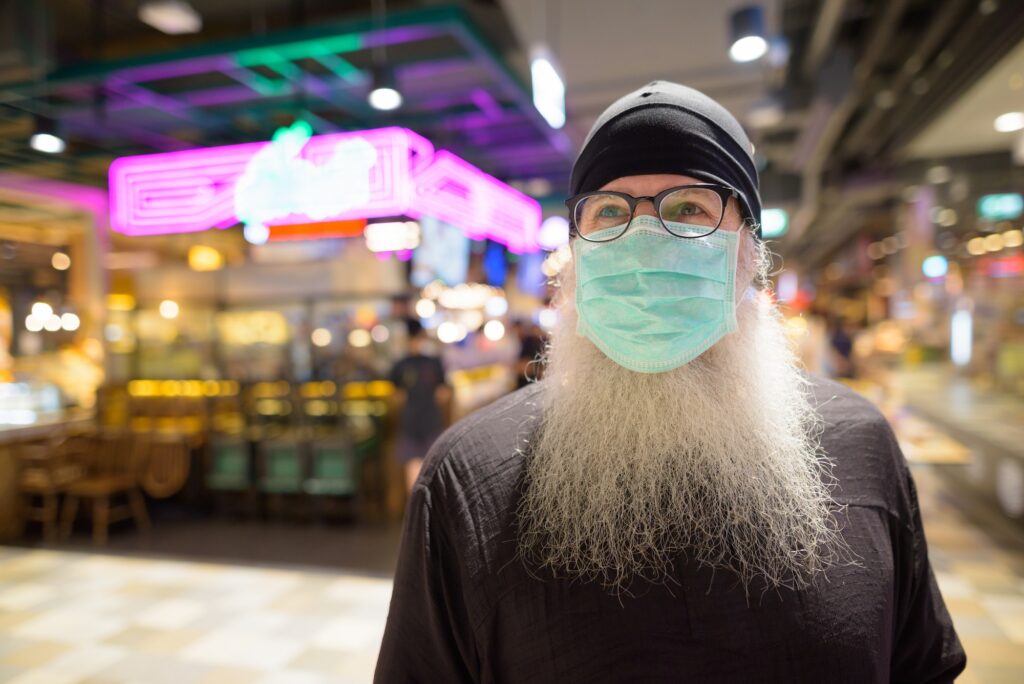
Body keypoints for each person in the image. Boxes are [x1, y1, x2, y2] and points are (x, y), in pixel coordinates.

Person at [375, 82, 965, 682]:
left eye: (689, 209)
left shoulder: (860, 444)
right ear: (575, 255)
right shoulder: (467, 478)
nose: (643, 240)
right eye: (609, 212)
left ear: (747, 252)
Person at [388, 320, 450, 492]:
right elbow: (443, 395)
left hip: (414, 420)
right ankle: (427, 511)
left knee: (415, 467)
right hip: (427, 421)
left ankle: (417, 511)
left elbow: (396, 396)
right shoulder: (434, 363)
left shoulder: (400, 365)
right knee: (431, 467)